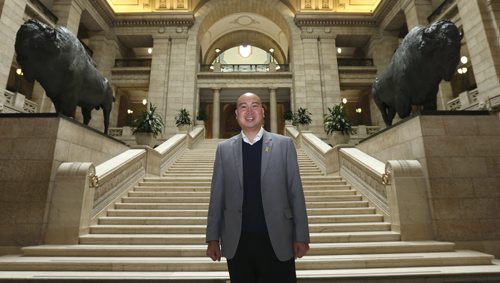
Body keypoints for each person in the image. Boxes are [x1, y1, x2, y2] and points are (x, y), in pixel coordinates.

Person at [206, 92, 310, 282]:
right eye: (243, 106)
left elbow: (296, 193)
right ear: (236, 114)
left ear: (263, 112)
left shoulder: (284, 145)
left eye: (254, 105)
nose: (249, 111)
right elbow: (217, 196)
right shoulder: (224, 149)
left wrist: (301, 235)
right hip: (238, 242)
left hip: (278, 239)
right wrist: (212, 238)